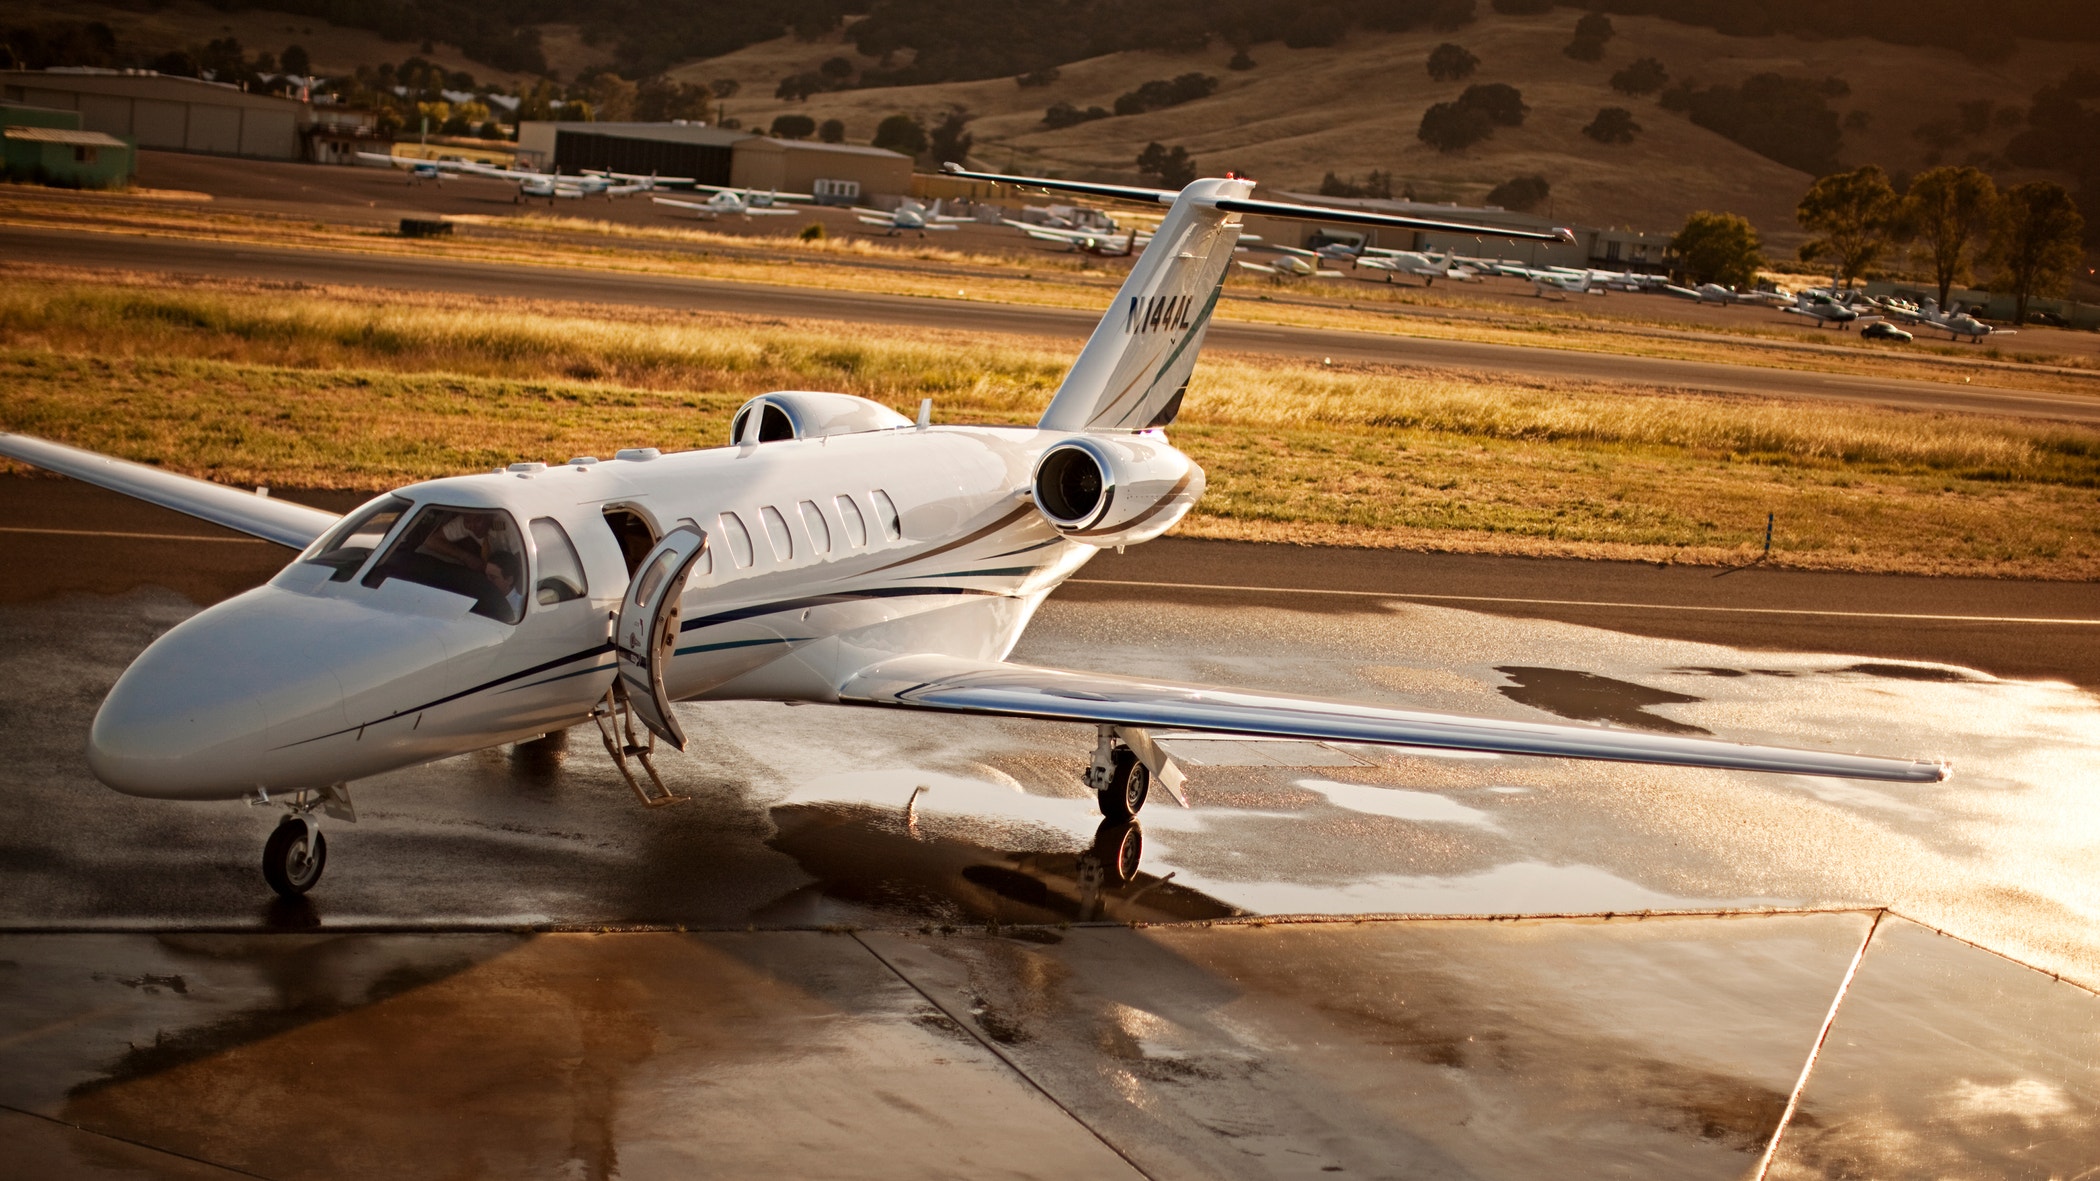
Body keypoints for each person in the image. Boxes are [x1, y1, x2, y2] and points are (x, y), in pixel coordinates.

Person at [418, 511, 524, 619]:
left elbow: (523, 567)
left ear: (489, 515)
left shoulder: (508, 526)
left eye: (478, 520)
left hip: (509, 578)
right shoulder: (467, 521)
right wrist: (465, 557)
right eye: (468, 521)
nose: (472, 526)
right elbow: (431, 541)